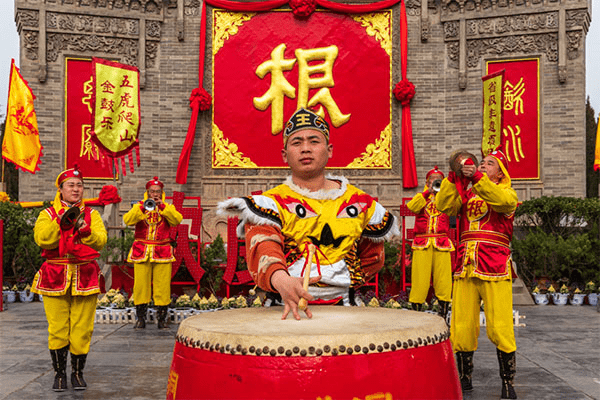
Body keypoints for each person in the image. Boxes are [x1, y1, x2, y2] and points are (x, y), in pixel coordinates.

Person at [217, 108, 399, 320]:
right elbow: (263, 245)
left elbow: (373, 257)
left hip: (345, 307)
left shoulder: (360, 204)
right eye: (297, 142)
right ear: (285, 155)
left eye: (314, 141)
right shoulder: (270, 204)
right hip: (284, 306)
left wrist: (344, 275)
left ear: (329, 150)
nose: (305, 149)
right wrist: (281, 279)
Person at [435, 149, 518, 400]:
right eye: (481, 162)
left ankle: (507, 381)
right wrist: (455, 177)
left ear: (500, 171)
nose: (483, 165)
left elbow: (501, 202)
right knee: (462, 325)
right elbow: (443, 206)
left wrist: (477, 179)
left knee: (500, 325)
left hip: (494, 263)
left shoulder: (507, 192)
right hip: (466, 263)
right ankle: (464, 377)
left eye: (489, 164)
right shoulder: (468, 192)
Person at [32, 165, 107, 391]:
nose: (76, 189)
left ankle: (77, 373)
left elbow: (101, 240)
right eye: (71, 185)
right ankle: (59, 374)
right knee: (57, 328)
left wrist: (86, 231)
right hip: (55, 275)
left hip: (85, 275)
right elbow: (41, 239)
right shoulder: (47, 214)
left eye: (79, 185)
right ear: (60, 190)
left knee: (82, 328)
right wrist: (60, 222)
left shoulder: (92, 215)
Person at [123, 177, 182, 329]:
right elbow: (127, 220)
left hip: (162, 250)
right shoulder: (138, 206)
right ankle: (140, 318)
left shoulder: (168, 207)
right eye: (152, 192)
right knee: (140, 286)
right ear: (147, 193)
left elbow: (177, 220)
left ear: (162, 193)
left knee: (162, 286)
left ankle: (162, 319)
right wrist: (142, 208)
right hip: (142, 250)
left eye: (158, 192)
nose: (155, 195)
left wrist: (162, 207)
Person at [406, 166, 453, 321]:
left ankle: (443, 313)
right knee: (420, 279)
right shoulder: (421, 197)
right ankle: (416, 315)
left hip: (442, 241)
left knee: (443, 280)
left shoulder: (446, 197)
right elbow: (411, 207)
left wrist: (445, 191)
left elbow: (454, 207)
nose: (435, 182)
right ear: (427, 182)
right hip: (422, 241)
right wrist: (427, 192)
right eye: (432, 180)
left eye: (438, 179)